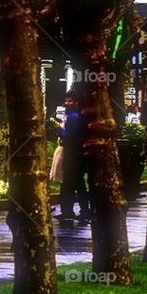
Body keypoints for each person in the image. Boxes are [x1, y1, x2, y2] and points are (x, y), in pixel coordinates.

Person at [58, 94, 91, 225]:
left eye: (70, 101)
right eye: (66, 100)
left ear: (76, 103)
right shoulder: (76, 116)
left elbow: (69, 136)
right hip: (76, 153)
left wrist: (59, 130)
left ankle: (71, 211)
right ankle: (77, 211)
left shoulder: (73, 117)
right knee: (76, 183)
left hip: (73, 154)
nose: (66, 103)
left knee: (71, 183)